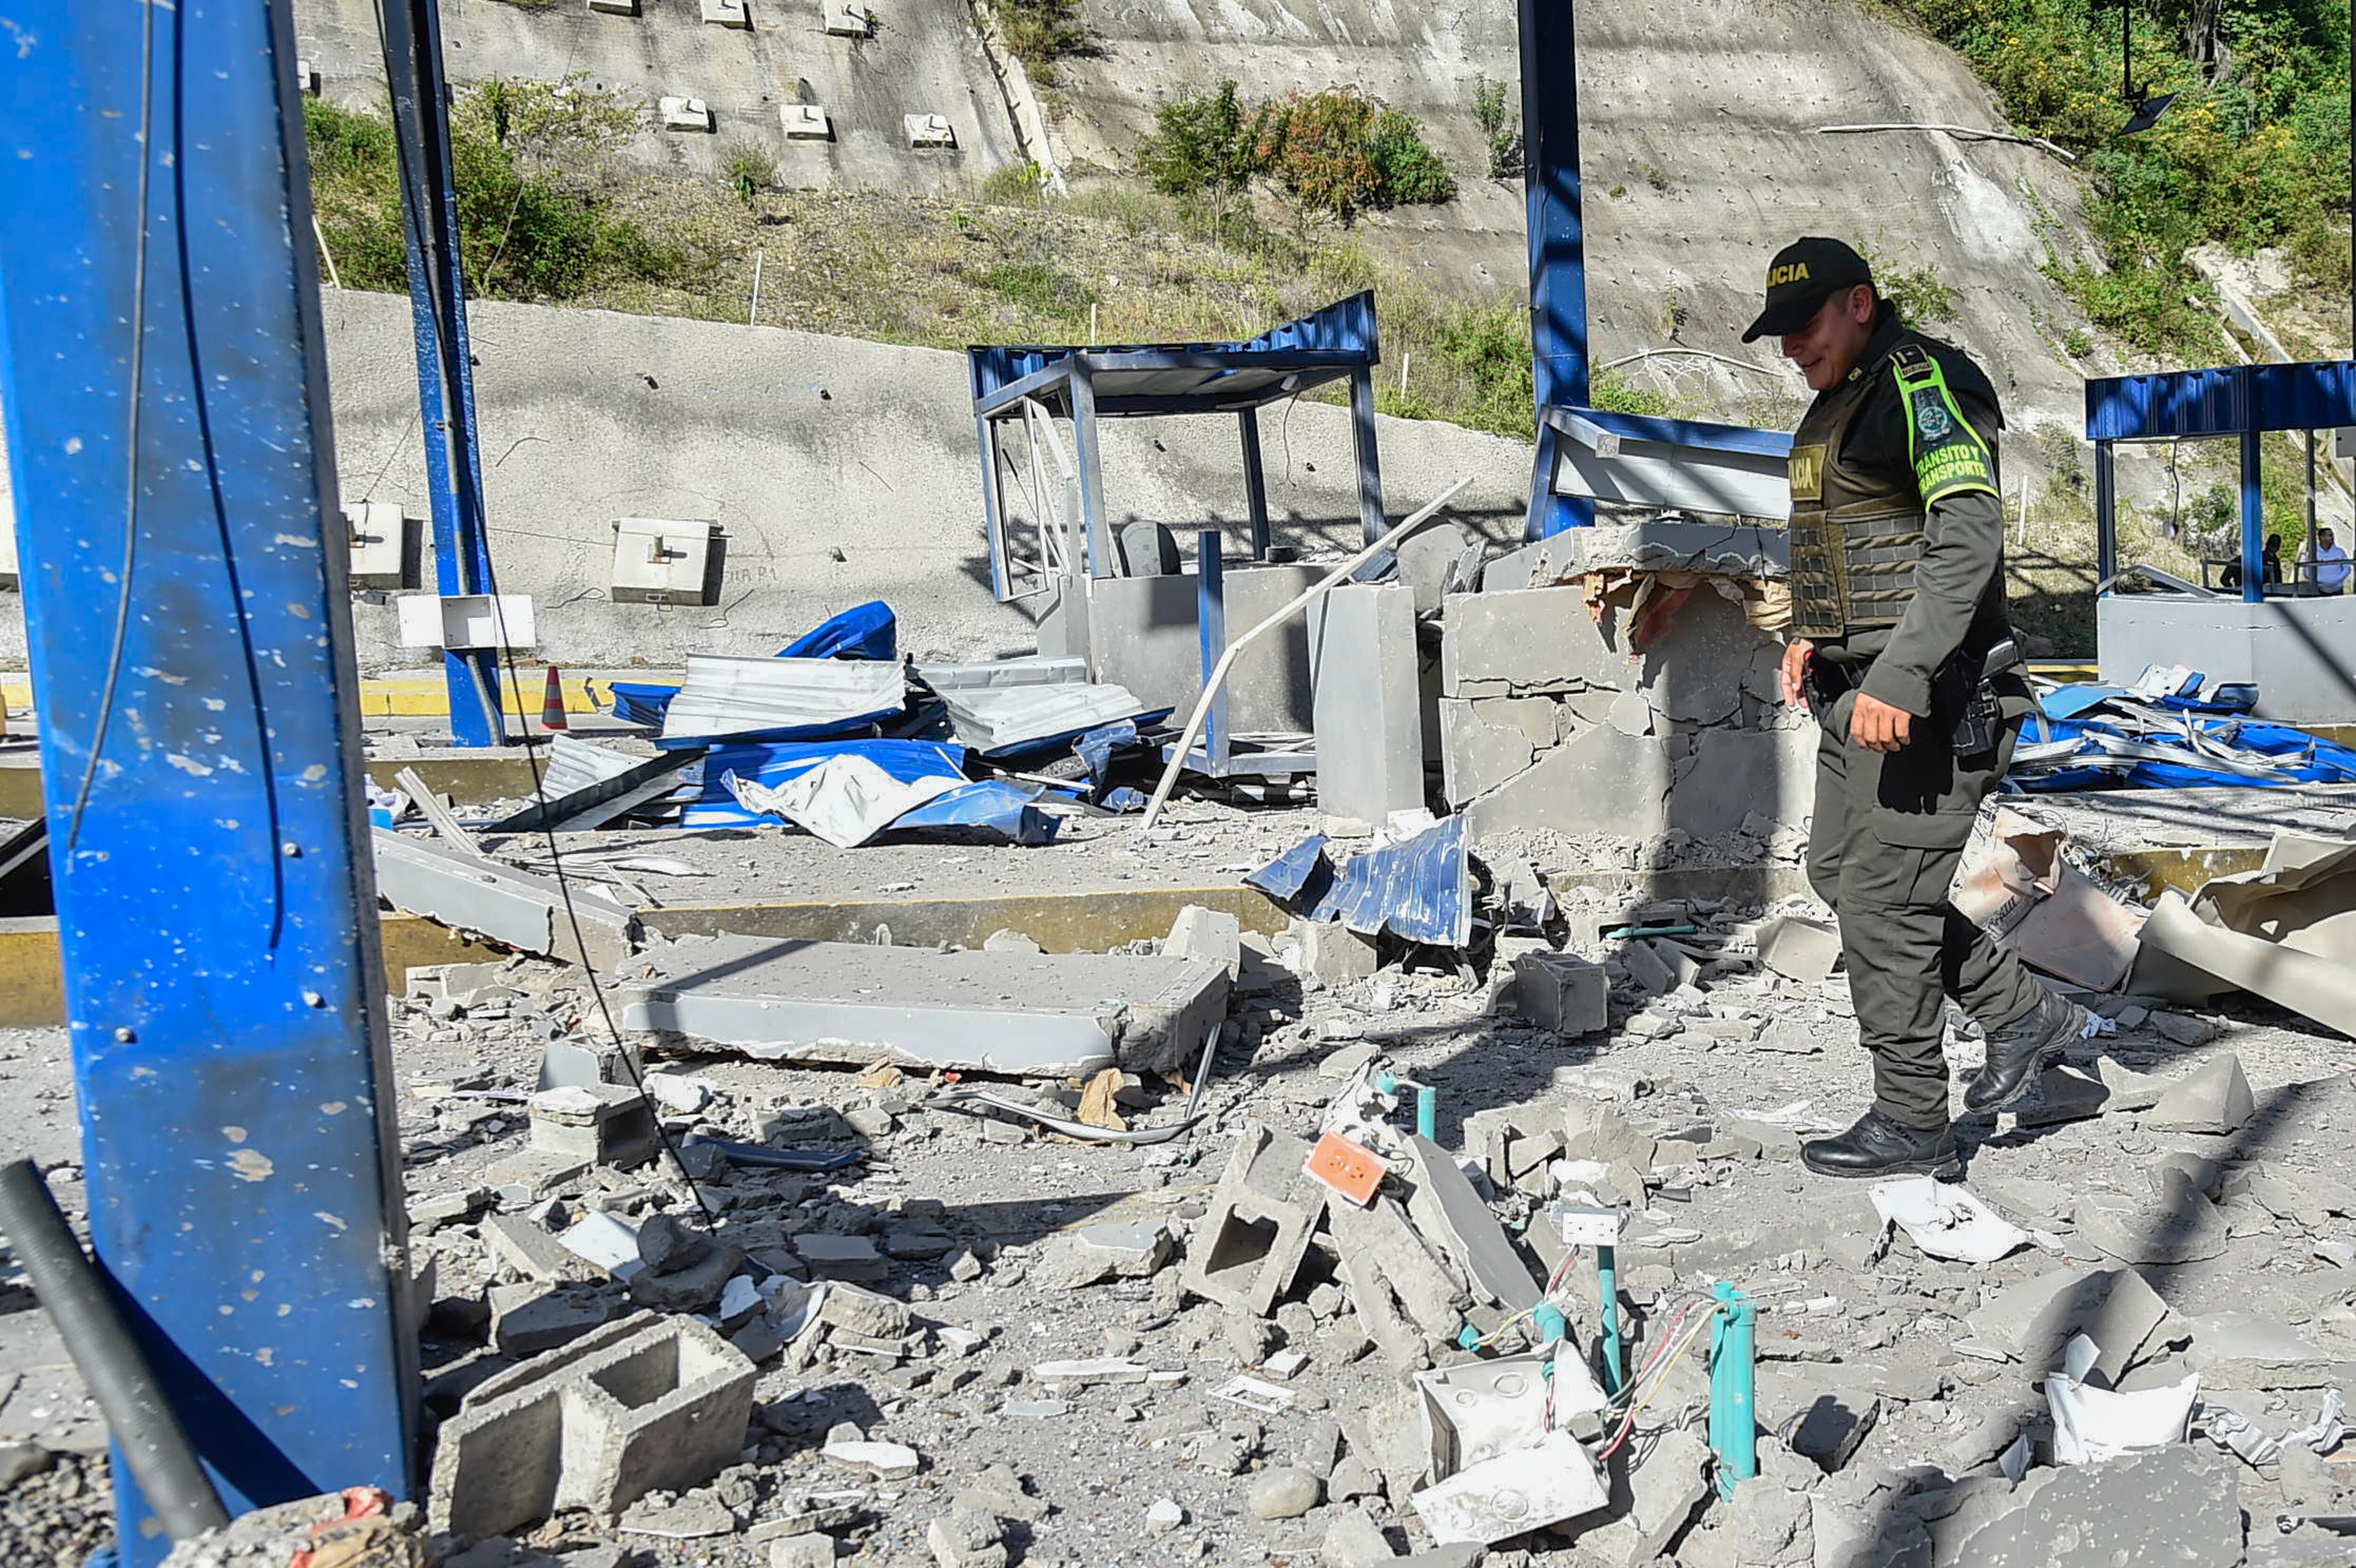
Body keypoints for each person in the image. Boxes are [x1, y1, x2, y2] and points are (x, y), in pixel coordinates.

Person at [1743, 237, 2090, 1180]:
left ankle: (1912, 1121)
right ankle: (2030, 1020)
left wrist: (1899, 675)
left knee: (1886, 907)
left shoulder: (1920, 384)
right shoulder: (1839, 403)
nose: (1790, 349)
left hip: (1934, 697)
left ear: (1859, 303)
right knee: (1841, 876)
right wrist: (1817, 633)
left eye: (1803, 326)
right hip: (1857, 693)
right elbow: (1860, 545)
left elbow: (1965, 535)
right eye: (1779, 333)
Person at [2307, 527, 2351, 594]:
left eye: (2332, 535)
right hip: (2319, 590)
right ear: (2322, 537)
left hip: (2338, 590)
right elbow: (2307, 572)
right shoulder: (2313, 554)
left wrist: (2338, 579)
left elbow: (2347, 568)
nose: (2332, 538)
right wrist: (2320, 580)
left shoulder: (2340, 552)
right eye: (2330, 535)